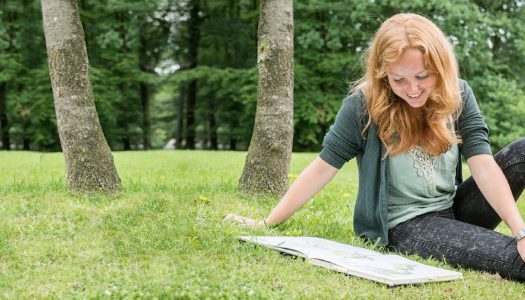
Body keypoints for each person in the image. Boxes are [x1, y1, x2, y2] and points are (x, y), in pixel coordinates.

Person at [225, 13, 525, 281]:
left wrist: (519, 230)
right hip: (408, 225)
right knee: (515, 258)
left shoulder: (458, 93)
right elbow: (321, 169)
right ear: (383, 74)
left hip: (454, 208)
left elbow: (483, 164)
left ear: (441, 67)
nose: (413, 88)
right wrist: (267, 222)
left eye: (423, 76)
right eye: (399, 79)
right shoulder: (363, 105)